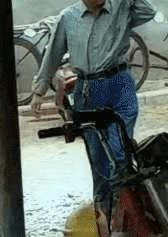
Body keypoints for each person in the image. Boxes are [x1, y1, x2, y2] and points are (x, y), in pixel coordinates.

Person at [31, 0, 159, 221]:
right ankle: (105, 214)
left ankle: (130, 213)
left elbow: (148, 11)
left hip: (120, 84)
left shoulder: (122, 7)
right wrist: (39, 90)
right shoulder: (68, 17)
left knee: (119, 151)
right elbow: (52, 54)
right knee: (98, 156)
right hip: (89, 91)